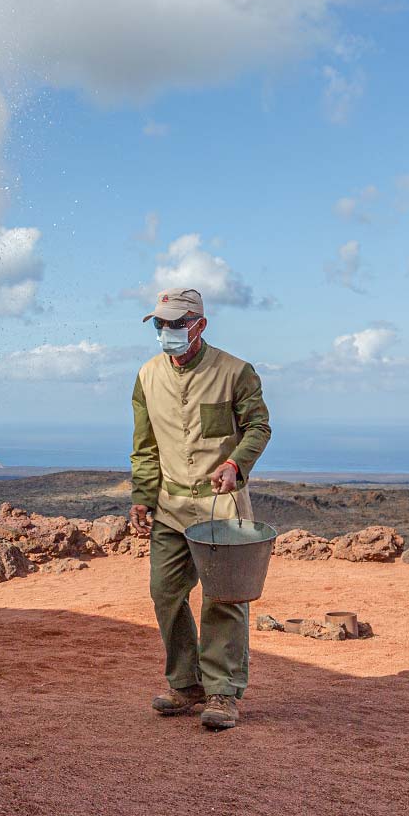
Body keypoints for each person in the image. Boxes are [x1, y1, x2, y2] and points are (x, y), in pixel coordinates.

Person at [129, 286, 271, 732]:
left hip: (221, 508)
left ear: (199, 325)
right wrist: (142, 496)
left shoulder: (236, 372)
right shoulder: (147, 376)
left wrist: (235, 463)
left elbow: (258, 427)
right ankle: (185, 683)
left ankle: (222, 692)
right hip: (170, 506)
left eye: (176, 323)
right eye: (160, 324)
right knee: (165, 593)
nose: (167, 331)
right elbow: (145, 447)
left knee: (223, 599)